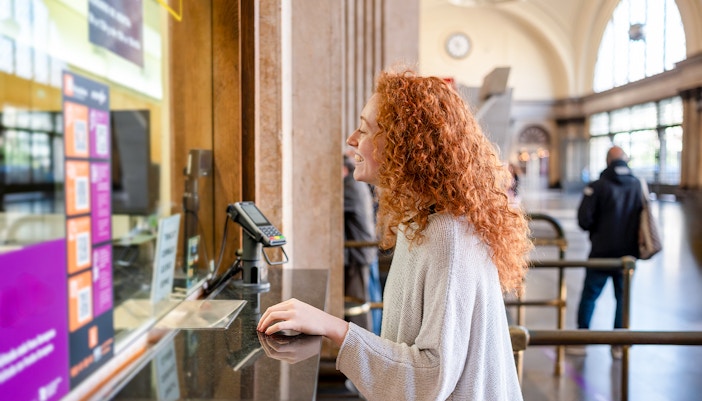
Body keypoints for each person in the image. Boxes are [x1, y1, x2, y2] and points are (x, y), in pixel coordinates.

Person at [257, 68, 532, 400]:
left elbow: (430, 377)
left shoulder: (447, 235)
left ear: (405, 144)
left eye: (365, 128)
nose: (352, 140)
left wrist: (333, 327)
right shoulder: (420, 220)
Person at [572, 146, 643, 359]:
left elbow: (584, 220)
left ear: (607, 160)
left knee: (590, 295)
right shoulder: (638, 185)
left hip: (601, 252)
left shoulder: (598, 186)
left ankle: (581, 340)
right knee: (623, 297)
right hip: (628, 255)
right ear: (625, 160)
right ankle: (619, 345)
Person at [342, 154, 378, 332]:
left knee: (358, 306)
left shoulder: (349, 185)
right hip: (362, 252)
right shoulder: (353, 183)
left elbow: (329, 209)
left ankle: (364, 351)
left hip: (358, 254)